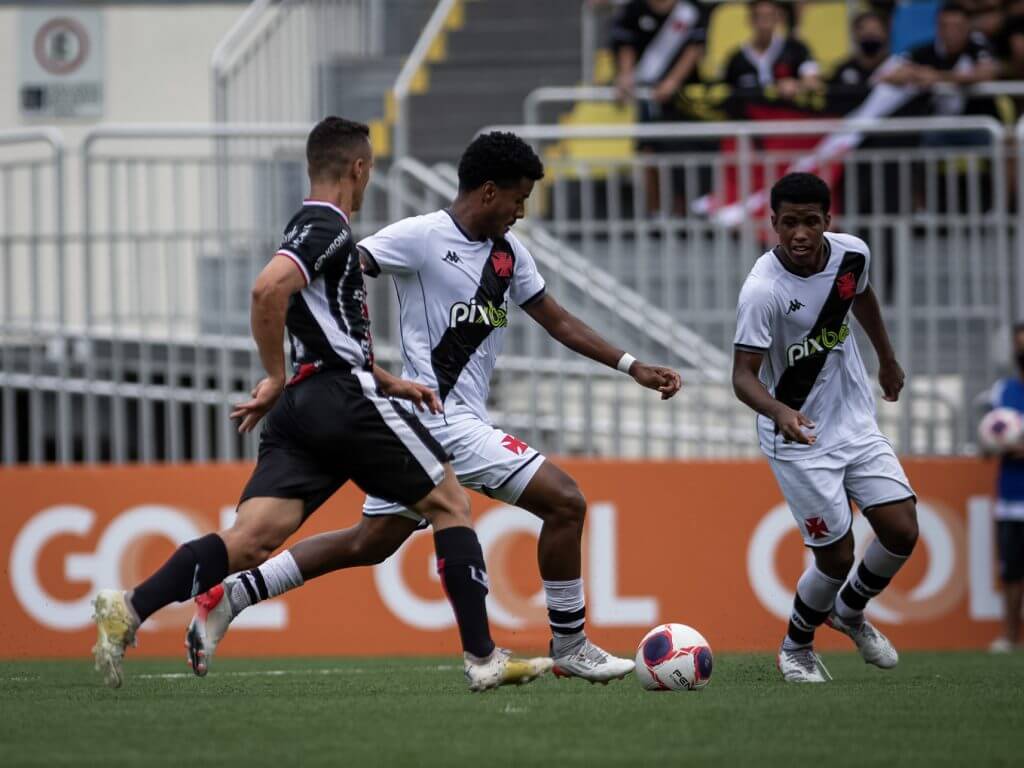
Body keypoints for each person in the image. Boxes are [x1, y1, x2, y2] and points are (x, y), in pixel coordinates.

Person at [185, 131, 683, 683]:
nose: (521, 211)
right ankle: (570, 643)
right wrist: (346, 365)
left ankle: (237, 592)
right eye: (518, 199)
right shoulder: (421, 237)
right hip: (438, 417)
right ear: (489, 191)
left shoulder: (508, 254)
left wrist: (630, 364)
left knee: (368, 542)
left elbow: (558, 320)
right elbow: (337, 274)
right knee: (565, 502)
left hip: (440, 423)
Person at [91, 117, 551, 692]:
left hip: (308, 405)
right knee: (450, 505)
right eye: (370, 172)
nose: (368, 185)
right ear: (357, 168)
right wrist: (273, 374)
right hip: (335, 396)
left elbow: (326, 330)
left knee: (251, 539)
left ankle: (131, 607)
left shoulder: (317, 229)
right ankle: (483, 660)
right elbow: (268, 289)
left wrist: (386, 379)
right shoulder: (327, 222)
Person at [732, 172, 920, 684]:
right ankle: (796, 646)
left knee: (902, 531)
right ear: (772, 223)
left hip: (854, 421)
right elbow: (742, 378)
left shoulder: (851, 255)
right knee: (835, 557)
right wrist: (780, 413)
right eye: (788, 222)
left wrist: (887, 358)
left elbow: (860, 296)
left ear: (827, 222)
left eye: (810, 222)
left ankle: (850, 611)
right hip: (798, 436)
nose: (799, 233)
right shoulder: (762, 291)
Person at [610, 0, 711, 214]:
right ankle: (656, 213)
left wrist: (673, 82)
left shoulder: (690, 10)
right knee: (649, 152)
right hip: (647, 98)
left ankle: (685, 212)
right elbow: (625, 45)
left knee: (683, 155)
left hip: (684, 100)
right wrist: (626, 76)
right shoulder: (633, 9)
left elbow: (695, 49)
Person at [880, 2, 1000, 114]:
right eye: (945, 26)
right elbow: (889, 75)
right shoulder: (924, 51)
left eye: (956, 27)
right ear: (937, 28)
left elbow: (986, 74)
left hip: (978, 121)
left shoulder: (978, 45)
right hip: (938, 124)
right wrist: (916, 74)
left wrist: (938, 77)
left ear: (967, 27)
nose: (950, 32)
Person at [984, 323, 1024, 653]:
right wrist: (997, 444)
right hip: (1011, 499)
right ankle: (1010, 637)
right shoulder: (1002, 391)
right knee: (1011, 573)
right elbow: (986, 446)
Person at [722, 0, 821, 101]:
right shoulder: (736, 58)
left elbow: (813, 82)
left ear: (778, 18)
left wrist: (797, 85)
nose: (764, 22)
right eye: (759, 16)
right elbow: (725, 91)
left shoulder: (796, 49)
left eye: (769, 16)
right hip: (749, 113)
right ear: (750, 20)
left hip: (789, 112)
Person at [830, 11, 892, 93]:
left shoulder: (897, 69)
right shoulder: (842, 70)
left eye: (875, 29)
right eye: (864, 29)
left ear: (886, 34)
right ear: (855, 34)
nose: (869, 33)